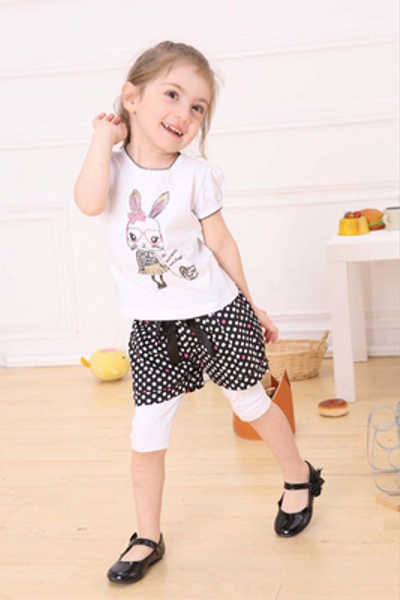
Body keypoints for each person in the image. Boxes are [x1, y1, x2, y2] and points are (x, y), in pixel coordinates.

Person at [74, 40, 324, 585]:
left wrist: (251, 303)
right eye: (172, 95)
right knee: (147, 431)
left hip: (216, 312)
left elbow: (222, 244)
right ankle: (147, 535)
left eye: (197, 107)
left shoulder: (196, 176)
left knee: (250, 402)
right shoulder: (108, 168)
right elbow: (89, 202)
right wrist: (100, 136)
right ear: (131, 97)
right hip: (152, 325)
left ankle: (299, 476)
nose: (184, 113)